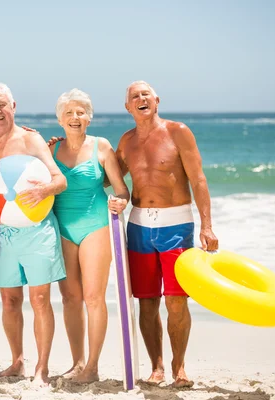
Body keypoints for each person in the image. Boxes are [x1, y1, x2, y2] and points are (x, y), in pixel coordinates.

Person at [116, 81, 219, 387]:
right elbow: (106, 178)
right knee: (146, 301)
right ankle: (157, 367)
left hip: (176, 225)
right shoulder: (126, 141)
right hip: (138, 227)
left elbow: (198, 179)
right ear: (128, 107)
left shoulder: (178, 132)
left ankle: (179, 367)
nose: (141, 99)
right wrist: (60, 152)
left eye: (146, 94)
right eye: (134, 96)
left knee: (176, 301)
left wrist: (207, 225)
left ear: (157, 100)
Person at [0, 82, 67, 384]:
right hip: (2, 233)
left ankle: (42, 367)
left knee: (39, 299)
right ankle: (17, 362)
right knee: (9, 301)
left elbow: (60, 180)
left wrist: (45, 190)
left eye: (2, 105)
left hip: (37, 230)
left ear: (13, 106)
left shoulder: (31, 140)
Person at [50, 89, 129, 383]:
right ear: (60, 119)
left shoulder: (102, 147)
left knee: (94, 297)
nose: (75, 117)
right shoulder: (51, 151)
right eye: (69, 112)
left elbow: (121, 189)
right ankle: (77, 362)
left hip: (95, 224)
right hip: (62, 228)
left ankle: (93, 366)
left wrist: (120, 201)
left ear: (89, 117)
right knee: (70, 297)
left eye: (81, 112)